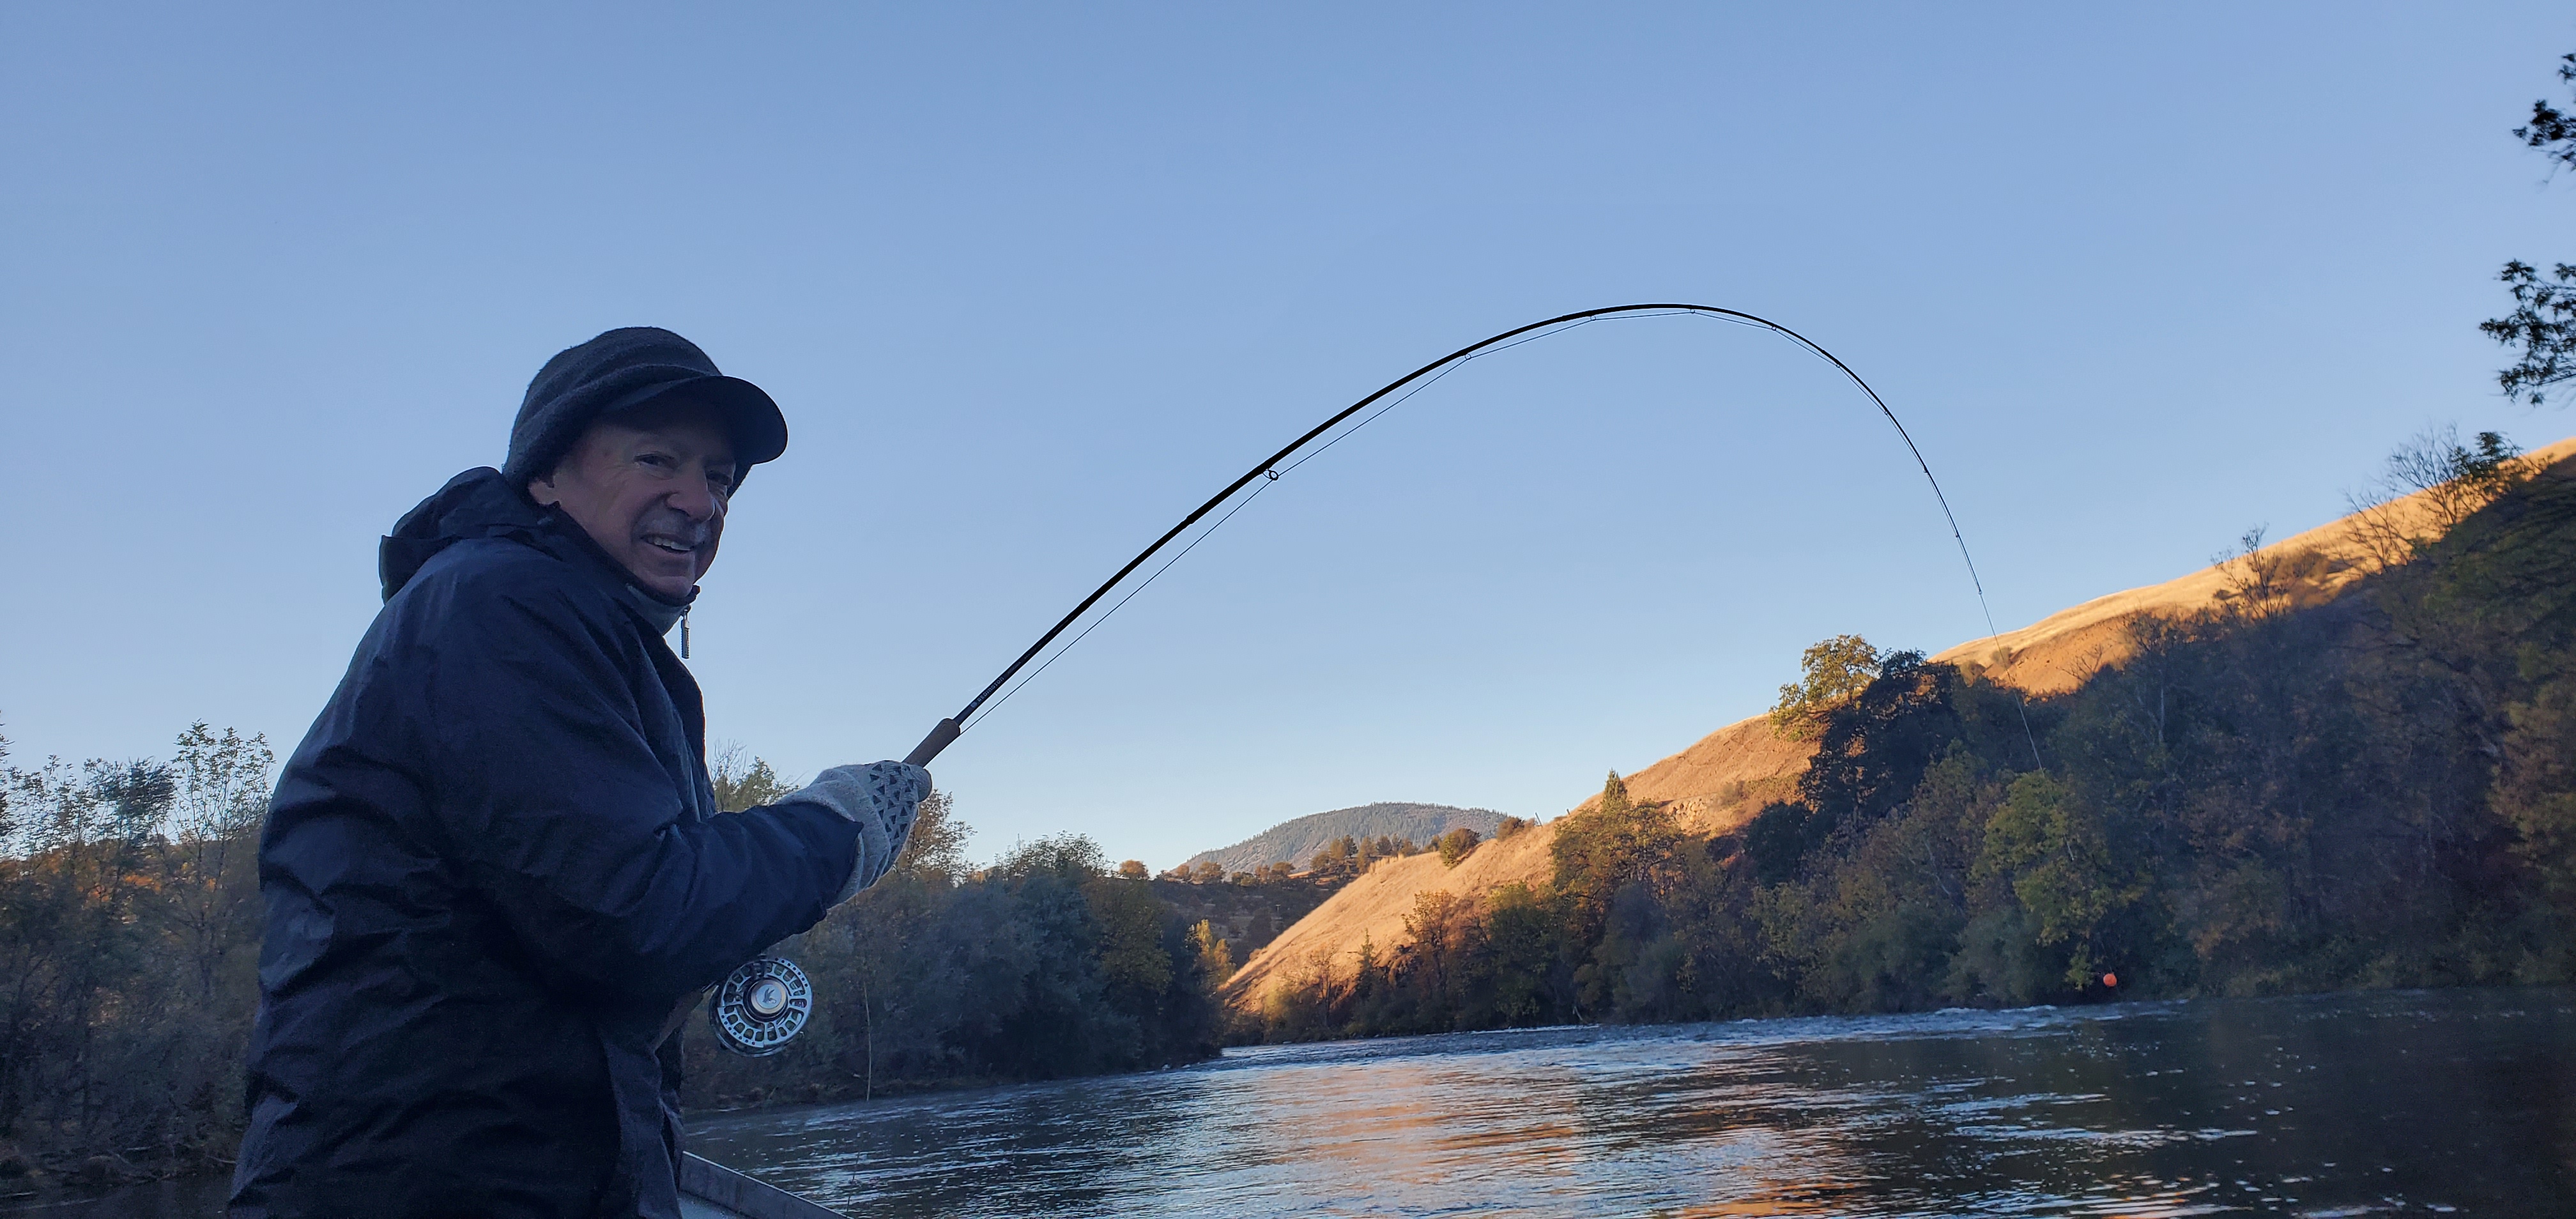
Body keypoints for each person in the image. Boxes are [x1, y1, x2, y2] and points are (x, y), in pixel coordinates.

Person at [230, 328, 928, 1218]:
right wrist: (839, 829)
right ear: (546, 478)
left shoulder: (549, 619)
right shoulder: (500, 605)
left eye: (719, 477)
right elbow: (640, 912)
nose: (699, 500)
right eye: (656, 460)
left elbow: (605, 904)